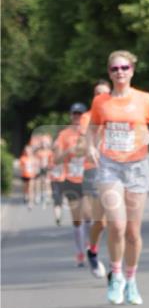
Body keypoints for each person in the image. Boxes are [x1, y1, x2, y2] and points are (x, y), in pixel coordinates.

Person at [86, 51, 149, 305]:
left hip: (136, 168)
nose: (120, 72)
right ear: (109, 73)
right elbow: (92, 128)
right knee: (116, 225)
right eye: (115, 69)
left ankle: (131, 279)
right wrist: (91, 146)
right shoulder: (101, 101)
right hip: (110, 167)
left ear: (132, 70)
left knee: (133, 232)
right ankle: (116, 276)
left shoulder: (144, 99)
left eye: (124, 67)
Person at [80, 80, 112, 279]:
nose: (100, 96)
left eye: (104, 93)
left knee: (119, 220)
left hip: (117, 169)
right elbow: (88, 136)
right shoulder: (87, 117)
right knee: (101, 222)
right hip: (94, 170)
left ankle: (116, 268)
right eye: (97, 93)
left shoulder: (117, 112)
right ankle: (92, 250)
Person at [53, 105, 89, 266]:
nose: (77, 117)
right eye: (74, 114)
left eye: (80, 114)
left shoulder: (90, 133)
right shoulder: (64, 135)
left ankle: (89, 244)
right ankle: (80, 252)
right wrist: (69, 151)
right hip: (71, 180)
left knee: (89, 215)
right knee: (77, 219)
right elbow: (56, 160)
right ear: (70, 115)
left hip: (88, 179)